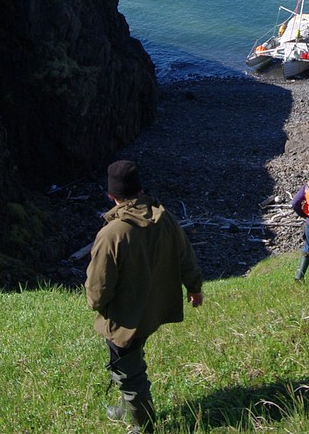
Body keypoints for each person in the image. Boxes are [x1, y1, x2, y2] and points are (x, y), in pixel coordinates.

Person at [85, 160, 204, 432]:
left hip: (126, 317)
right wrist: (194, 287)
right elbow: (186, 256)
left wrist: (97, 305)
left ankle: (144, 426)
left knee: (128, 373)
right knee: (133, 358)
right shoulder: (165, 218)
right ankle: (129, 409)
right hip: (154, 308)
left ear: (111, 195)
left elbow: (98, 290)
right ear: (140, 189)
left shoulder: (111, 234)